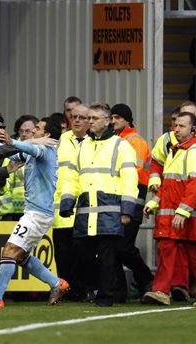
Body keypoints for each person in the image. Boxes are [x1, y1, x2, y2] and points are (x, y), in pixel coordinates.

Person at [0, 117, 69, 308]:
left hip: (37, 215)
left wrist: (12, 141)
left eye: (37, 128)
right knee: (21, 256)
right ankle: (57, 283)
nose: (32, 131)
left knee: (9, 250)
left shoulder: (45, 150)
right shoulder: (35, 152)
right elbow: (15, 155)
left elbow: (29, 149)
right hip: (36, 213)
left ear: (46, 134)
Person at [59, 103, 139, 307]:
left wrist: (127, 210)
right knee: (84, 254)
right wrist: (67, 201)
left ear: (107, 121)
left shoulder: (121, 146)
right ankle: (99, 289)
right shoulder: (83, 145)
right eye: (89, 118)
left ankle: (106, 296)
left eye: (94, 119)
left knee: (108, 257)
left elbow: (130, 179)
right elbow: (72, 176)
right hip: (86, 210)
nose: (89, 122)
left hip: (110, 210)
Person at [142, 112, 196, 306]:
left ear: (194, 128)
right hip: (174, 214)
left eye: (182, 126)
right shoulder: (176, 151)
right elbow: (170, 186)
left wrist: (182, 211)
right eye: (175, 125)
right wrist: (154, 202)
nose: (176, 129)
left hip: (190, 216)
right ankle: (161, 291)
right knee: (166, 251)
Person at [110, 103, 154, 301]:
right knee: (116, 248)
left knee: (122, 247)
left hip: (132, 196)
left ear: (127, 120)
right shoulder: (118, 140)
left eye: (118, 117)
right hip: (124, 196)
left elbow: (132, 172)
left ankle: (145, 278)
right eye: (112, 117)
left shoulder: (133, 141)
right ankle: (122, 290)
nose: (113, 121)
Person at [52, 103, 92, 301]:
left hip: (85, 207)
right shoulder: (62, 139)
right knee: (63, 255)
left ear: (89, 121)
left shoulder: (94, 141)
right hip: (62, 207)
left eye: (81, 117)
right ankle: (66, 290)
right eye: (74, 117)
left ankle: (83, 289)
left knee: (84, 255)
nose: (76, 120)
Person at [0, 115, 39, 221]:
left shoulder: (42, 151)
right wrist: (7, 212)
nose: (23, 134)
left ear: (35, 132)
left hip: (38, 211)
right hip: (16, 214)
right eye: (21, 131)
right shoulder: (12, 153)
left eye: (27, 131)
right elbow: (4, 185)